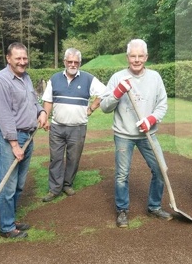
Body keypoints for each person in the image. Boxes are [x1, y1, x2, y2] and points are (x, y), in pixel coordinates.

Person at [100, 39, 173, 228]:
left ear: (146, 57)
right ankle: (122, 210)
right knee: (121, 175)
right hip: (124, 134)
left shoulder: (155, 77)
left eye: (140, 56)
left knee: (161, 170)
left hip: (148, 134)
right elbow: (104, 107)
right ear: (128, 57)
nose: (137, 60)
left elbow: (162, 104)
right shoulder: (118, 78)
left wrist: (151, 119)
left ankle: (154, 207)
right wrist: (117, 93)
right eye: (133, 56)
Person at [0, 42, 49, 239]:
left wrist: (41, 112)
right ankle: (6, 228)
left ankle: (10, 219)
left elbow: (32, 101)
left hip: (28, 136)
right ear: (8, 58)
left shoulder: (26, 78)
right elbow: (4, 114)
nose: (23, 62)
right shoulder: (0, 81)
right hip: (10, 139)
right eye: (18, 59)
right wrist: (14, 144)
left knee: (19, 184)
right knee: (8, 184)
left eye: (25, 58)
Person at [41, 48, 106, 202]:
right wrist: (45, 116)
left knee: (73, 158)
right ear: (64, 62)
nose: (72, 64)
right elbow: (48, 100)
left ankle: (67, 184)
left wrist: (91, 108)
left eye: (75, 62)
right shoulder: (55, 78)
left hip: (78, 127)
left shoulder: (88, 79)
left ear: (79, 63)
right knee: (55, 158)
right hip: (57, 127)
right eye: (69, 61)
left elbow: (104, 92)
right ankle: (54, 189)